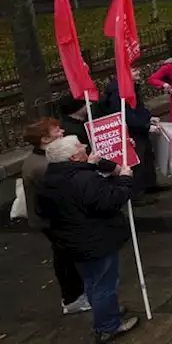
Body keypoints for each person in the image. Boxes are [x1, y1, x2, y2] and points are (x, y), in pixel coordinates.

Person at [37, 136, 139, 341]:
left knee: (92, 282)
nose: (85, 146)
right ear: (74, 157)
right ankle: (108, 326)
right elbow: (109, 201)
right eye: (80, 146)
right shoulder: (84, 179)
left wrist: (91, 166)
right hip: (96, 240)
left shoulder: (49, 180)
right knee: (104, 284)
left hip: (72, 241)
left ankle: (106, 313)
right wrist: (125, 180)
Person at [21, 119, 88, 316]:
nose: (62, 131)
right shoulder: (42, 166)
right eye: (56, 130)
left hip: (54, 218)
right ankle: (72, 298)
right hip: (52, 220)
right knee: (66, 258)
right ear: (45, 139)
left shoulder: (41, 160)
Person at [101, 67, 160, 199]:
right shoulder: (118, 91)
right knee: (137, 161)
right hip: (131, 131)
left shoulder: (131, 86)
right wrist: (144, 126)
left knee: (147, 156)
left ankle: (150, 183)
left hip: (139, 128)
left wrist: (148, 118)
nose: (138, 71)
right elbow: (124, 114)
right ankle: (136, 193)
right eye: (134, 70)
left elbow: (138, 107)